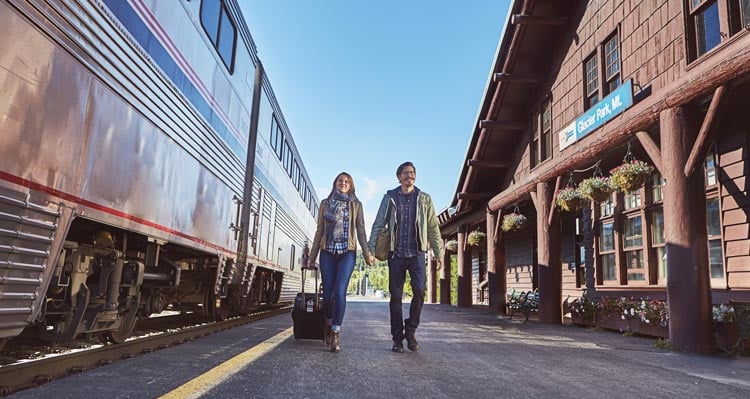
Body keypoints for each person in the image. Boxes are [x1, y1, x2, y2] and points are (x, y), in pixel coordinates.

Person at [368, 162, 442, 353]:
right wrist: (370, 249)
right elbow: (378, 223)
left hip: (417, 254)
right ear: (399, 176)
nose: (410, 176)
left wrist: (438, 252)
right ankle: (397, 339)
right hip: (396, 254)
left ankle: (411, 330)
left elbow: (433, 228)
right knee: (396, 297)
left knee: (419, 291)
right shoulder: (390, 198)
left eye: (413, 173)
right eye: (406, 173)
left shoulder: (425, 199)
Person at [308, 172, 373, 352]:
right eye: (340, 181)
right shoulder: (325, 204)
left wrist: (367, 253)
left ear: (351, 185)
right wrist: (311, 258)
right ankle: (328, 321)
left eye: (347, 181)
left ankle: (336, 331)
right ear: (335, 183)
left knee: (340, 292)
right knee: (328, 295)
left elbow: (361, 231)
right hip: (327, 251)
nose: (343, 183)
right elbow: (319, 230)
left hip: (347, 252)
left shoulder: (356, 205)